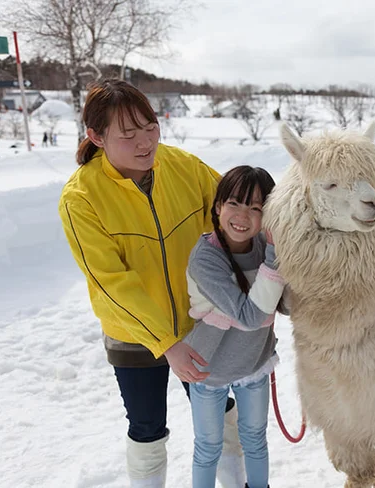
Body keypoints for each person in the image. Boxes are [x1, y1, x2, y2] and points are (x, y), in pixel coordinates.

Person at [58, 79, 245, 488]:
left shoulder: (184, 167)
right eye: (128, 135)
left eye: (151, 127)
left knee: (221, 414)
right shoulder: (82, 198)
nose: (145, 142)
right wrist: (166, 343)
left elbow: (238, 210)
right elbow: (111, 283)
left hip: (199, 324)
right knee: (146, 427)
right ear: (96, 136)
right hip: (135, 337)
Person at [182, 165, 285, 488]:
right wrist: (276, 260)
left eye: (256, 208)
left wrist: (293, 256)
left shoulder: (262, 249)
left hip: (254, 363)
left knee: (255, 438)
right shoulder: (205, 258)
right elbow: (251, 316)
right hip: (207, 369)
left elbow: (287, 305)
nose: (243, 216)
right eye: (235, 203)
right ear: (217, 207)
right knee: (208, 446)